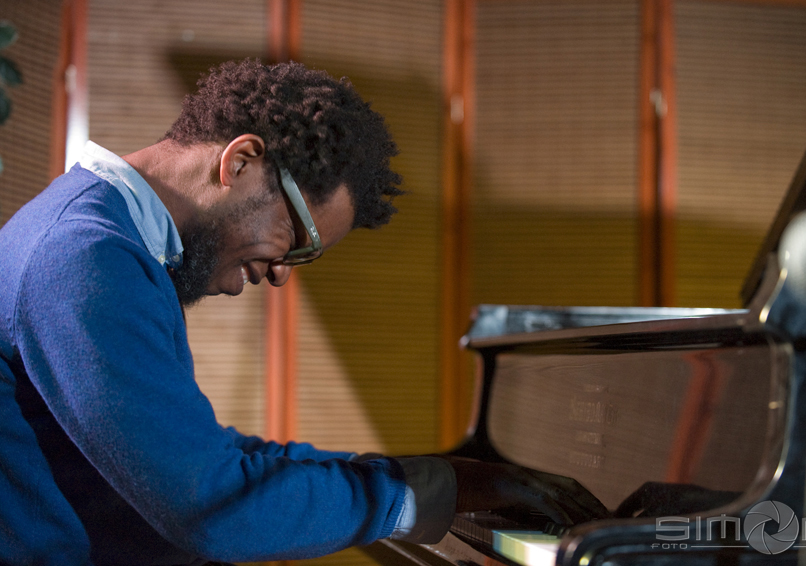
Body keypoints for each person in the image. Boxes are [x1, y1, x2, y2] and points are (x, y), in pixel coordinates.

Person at [0, 59, 606, 565]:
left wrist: (409, 475)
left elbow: (204, 455)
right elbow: (213, 507)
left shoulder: (104, 238)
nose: (281, 273)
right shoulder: (85, 257)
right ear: (240, 162)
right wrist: (417, 493)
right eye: (295, 239)